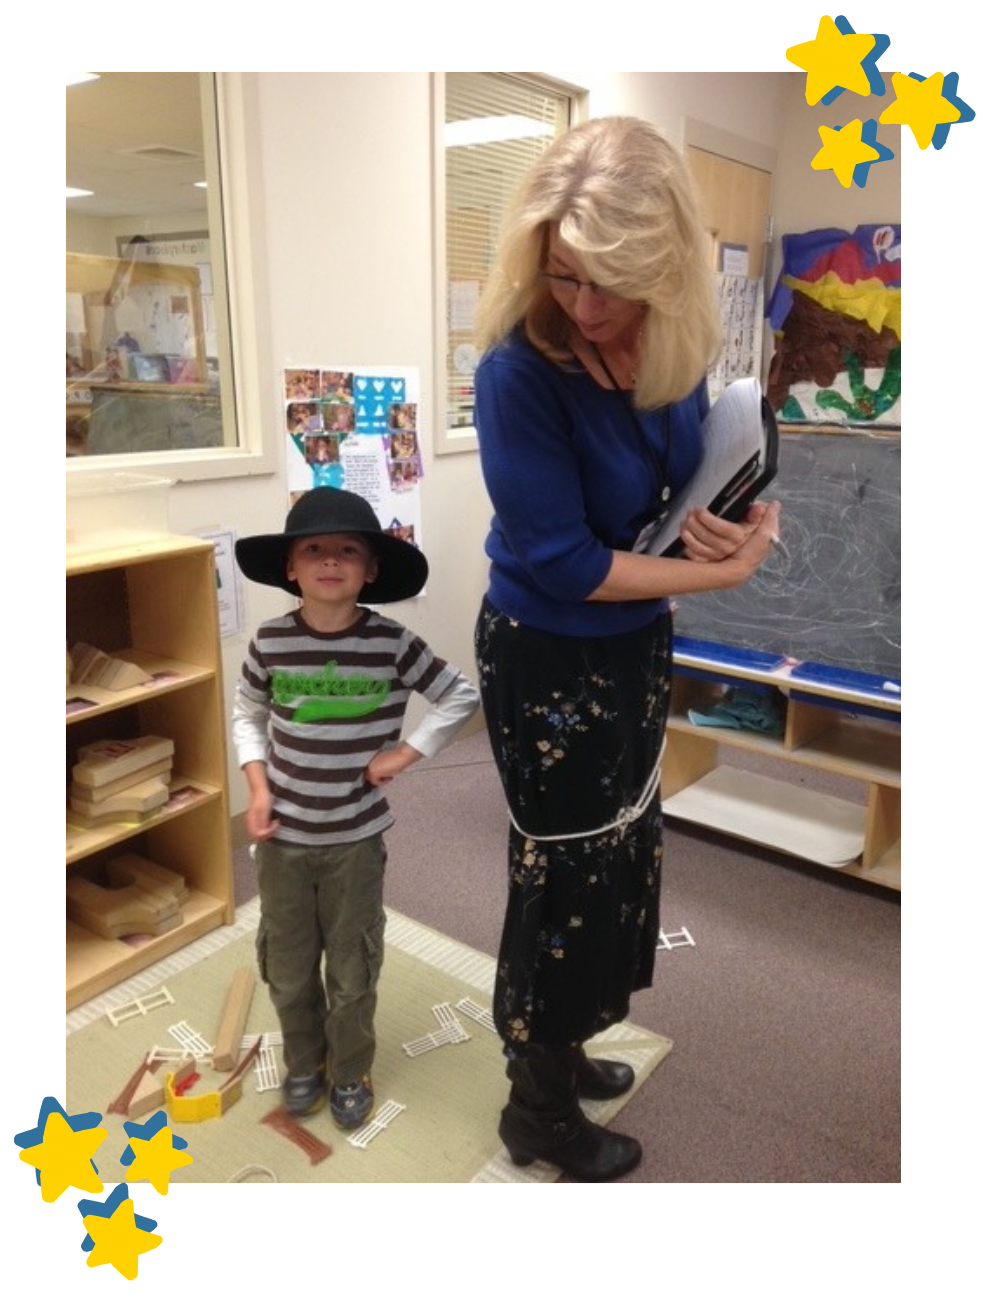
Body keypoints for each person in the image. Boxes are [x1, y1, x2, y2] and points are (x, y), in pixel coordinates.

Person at [471, 115, 782, 1181]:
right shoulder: (520, 372)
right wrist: (720, 576)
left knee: (617, 856)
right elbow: (563, 563)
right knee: (560, 873)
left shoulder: (670, 344)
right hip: (550, 651)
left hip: (633, 641)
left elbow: (686, 483)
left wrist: (741, 520)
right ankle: (536, 1114)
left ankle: (569, 1043)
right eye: (563, 277)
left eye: (611, 280)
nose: (587, 308)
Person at [232, 486, 480, 1129]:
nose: (330, 561)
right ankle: (304, 1064)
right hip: (283, 840)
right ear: (291, 567)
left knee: (351, 967)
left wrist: (405, 754)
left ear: (371, 569)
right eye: (314, 549)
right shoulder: (270, 643)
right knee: (286, 968)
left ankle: (349, 1069)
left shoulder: (393, 644)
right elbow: (248, 716)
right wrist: (258, 788)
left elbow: (460, 696)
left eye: (349, 550)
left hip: (354, 842)